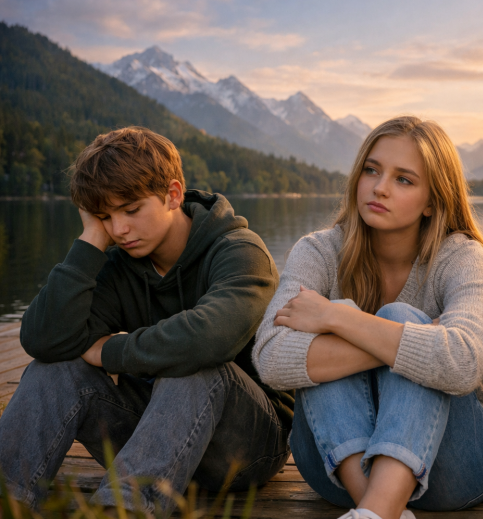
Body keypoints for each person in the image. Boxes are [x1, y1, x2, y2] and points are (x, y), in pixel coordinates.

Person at [0, 127, 293, 514]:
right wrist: (89, 242)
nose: (119, 229)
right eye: (105, 216)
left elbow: (209, 339)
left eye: (131, 210)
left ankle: (120, 510)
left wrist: (112, 351)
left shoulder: (240, 252)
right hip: (156, 440)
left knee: (198, 368)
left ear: (173, 194)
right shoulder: (118, 263)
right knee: (58, 368)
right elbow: (43, 340)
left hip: (245, 447)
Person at [252, 116, 483, 519]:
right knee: (359, 330)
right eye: (371, 170)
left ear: (432, 200)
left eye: (403, 179)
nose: (379, 187)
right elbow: (269, 357)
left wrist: (340, 322)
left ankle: (374, 511)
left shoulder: (461, 257)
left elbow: (463, 363)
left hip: (458, 466)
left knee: (388, 315)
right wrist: (417, 338)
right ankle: (377, 509)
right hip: (335, 467)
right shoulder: (318, 252)